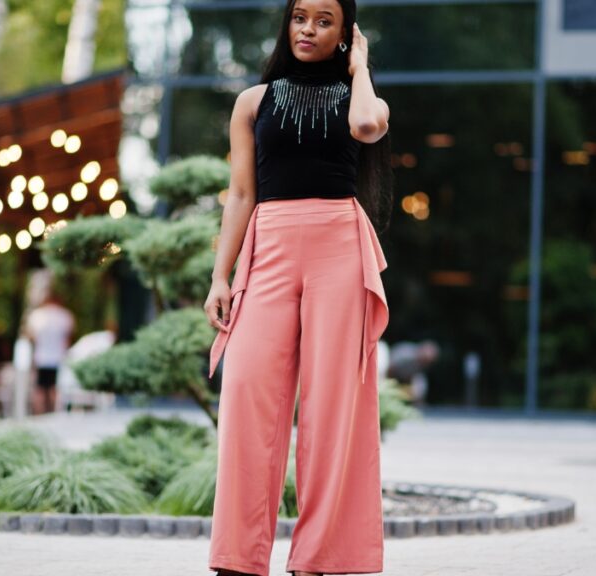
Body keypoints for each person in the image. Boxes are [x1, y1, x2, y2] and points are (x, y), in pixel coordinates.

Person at [202, 0, 391, 574]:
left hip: (338, 245)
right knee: (246, 395)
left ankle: (320, 559)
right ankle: (238, 557)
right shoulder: (252, 103)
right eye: (300, 17)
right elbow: (240, 194)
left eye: (325, 20)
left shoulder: (365, 98)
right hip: (271, 246)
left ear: (344, 31)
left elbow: (365, 127)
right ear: (287, 24)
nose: (309, 29)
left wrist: (360, 66)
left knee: (334, 407)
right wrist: (220, 274)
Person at [23, 291, 75, 415]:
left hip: (41, 357)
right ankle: (53, 413)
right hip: (58, 357)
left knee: (40, 388)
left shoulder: (37, 315)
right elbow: (67, 339)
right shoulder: (65, 316)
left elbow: (31, 338)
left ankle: (40, 414)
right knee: (54, 388)